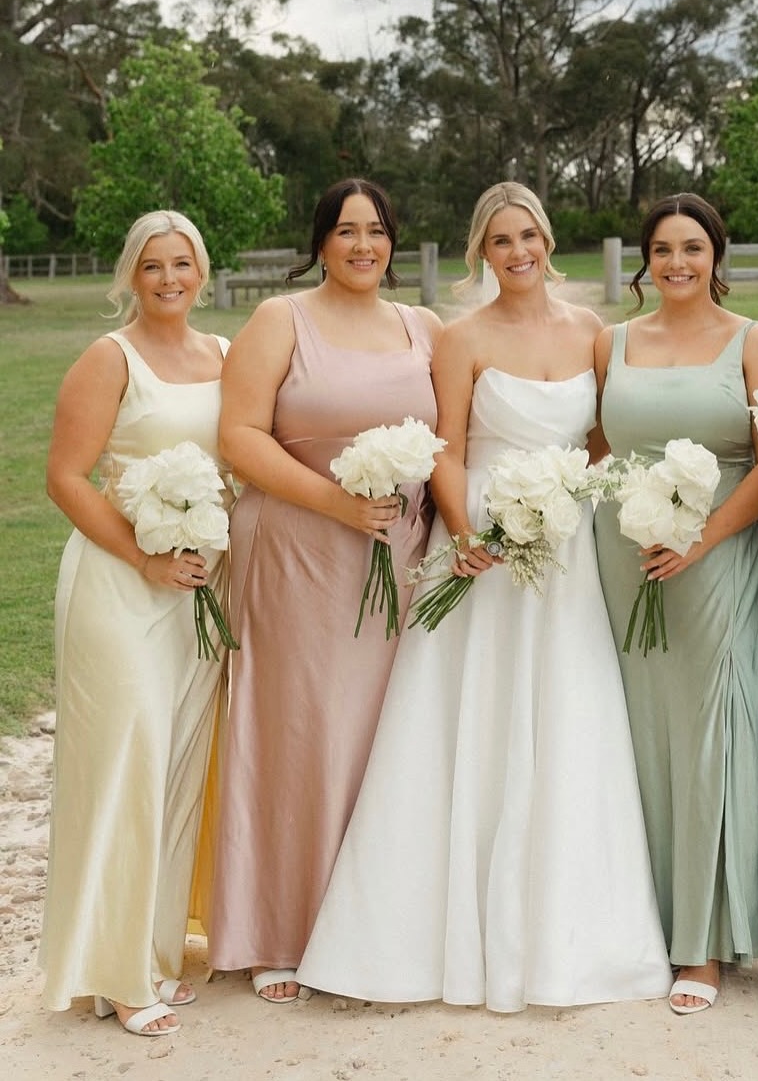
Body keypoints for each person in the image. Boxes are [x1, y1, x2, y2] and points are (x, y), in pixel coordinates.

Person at [297, 181, 673, 1013]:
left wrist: (566, 504)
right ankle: (423, 934)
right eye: (501, 241)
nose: (519, 253)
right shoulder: (459, 338)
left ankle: (571, 936)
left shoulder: (591, 334)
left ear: (547, 239)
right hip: (479, 555)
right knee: (463, 724)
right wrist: (467, 537)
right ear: (480, 251)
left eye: (530, 236)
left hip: (565, 559)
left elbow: (600, 439)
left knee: (567, 720)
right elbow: (449, 449)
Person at [207, 178, 442, 1003]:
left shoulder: (424, 327)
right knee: (301, 731)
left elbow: (453, 441)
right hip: (300, 551)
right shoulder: (281, 321)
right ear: (319, 242)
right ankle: (281, 928)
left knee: (385, 736)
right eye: (345, 231)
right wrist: (338, 503)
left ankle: (373, 923)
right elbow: (238, 435)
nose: (362, 245)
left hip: (399, 561)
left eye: (376, 230)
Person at [592, 193, 758, 1016]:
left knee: (709, 729)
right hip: (621, 552)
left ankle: (704, 941)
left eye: (693, 248)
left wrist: (700, 539)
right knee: (633, 733)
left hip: (715, 555)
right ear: (645, 259)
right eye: (663, 249)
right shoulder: (611, 342)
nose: (677, 262)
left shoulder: (755, 341)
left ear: (717, 255)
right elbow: (597, 443)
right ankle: (641, 921)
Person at [39, 211, 231, 1037]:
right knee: (127, 762)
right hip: (120, 588)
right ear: (130, 274)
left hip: (200, 593)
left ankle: (151, 948)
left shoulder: (224, 355)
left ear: (202, 270)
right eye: (151, 266)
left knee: (181, 765)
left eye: (181, 263)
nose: (167, 279)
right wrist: (145, 559)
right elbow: (66, 478)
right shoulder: (106, 358)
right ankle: (114, 973)